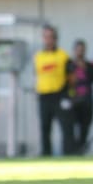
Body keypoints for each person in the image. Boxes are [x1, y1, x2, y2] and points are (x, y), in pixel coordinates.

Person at [33, 25, 72, 156]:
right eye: (45, 37)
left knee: (65, 126)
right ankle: (46, 154)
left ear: (55, 38)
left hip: (59, 95)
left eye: (50, 37)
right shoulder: (38, 56)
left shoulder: (63, 56)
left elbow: (71, 77)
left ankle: (68, 154)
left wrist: (68, 95)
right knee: (45, 127)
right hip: (44, 95)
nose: (48, 40)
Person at [67, 39, 93, 154]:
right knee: (71, 126)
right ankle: (72, 150)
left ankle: (82, 150)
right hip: (74, 100)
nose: (80, 52)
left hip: (87, 100)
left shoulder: (89, 66)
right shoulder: (69, 65)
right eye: (78, 50)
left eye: (82, 50)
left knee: (85, 126)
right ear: (74, 51)